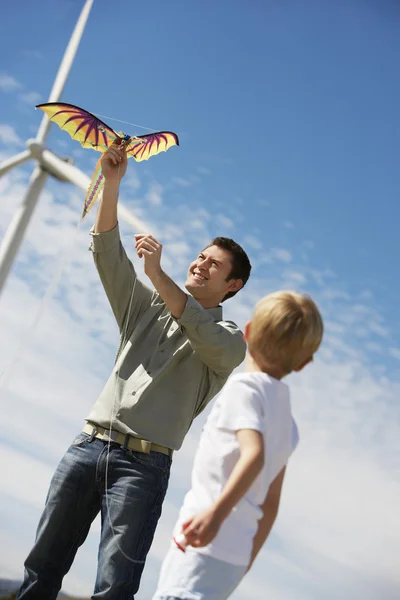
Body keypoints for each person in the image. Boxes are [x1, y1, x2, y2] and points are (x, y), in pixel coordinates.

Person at [17, 144, 252, 600]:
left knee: (114, 589)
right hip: (87, 446)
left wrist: (158, 274)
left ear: (233, 285)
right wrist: (112, 183)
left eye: (213, 264)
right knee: (40, 570)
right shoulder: (145, 307)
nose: (200, 264)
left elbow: (199, 327)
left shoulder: (228, 342)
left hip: (142, 468)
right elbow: (108, 254)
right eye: (200, 256)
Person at [152, 291, 324, 600]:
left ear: (247, 332)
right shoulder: (288, 422)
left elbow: (253, 456)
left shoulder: (243, 389)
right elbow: (270, 503)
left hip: (203, 540)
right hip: (235, 556)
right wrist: (247, 559)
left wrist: (214, 516)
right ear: (304, 363)